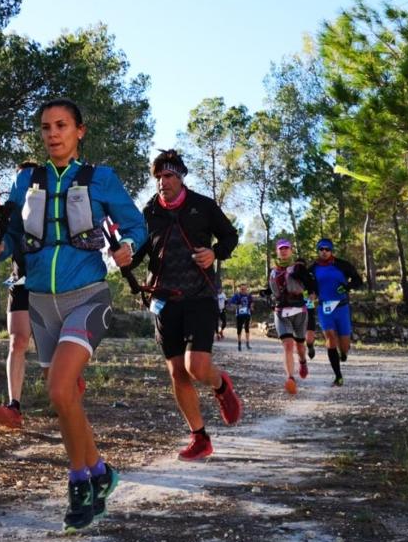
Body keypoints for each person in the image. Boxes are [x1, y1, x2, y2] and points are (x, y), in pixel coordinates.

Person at [0, 98, 146, 534]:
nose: (53, 133)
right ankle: (101, 472)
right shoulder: (24, 181)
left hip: (88, 297)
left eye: (62, 125)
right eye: (46, 127)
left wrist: (129, 245)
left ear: (79, 131)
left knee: (57, 390)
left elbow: (136, 225)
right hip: (39, 302)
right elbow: (14, 235)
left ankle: (79, 485)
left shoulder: (100, 179)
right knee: (67, 397)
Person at [128, 149, 243, 462]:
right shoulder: (149, 212)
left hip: (200, 296)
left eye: (168, 176)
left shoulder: (203, 206)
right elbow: (137, 252)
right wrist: (123, 255)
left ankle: (221, 386)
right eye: (158, 178)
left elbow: (231, 236)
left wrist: (215, 254)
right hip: (164, 301)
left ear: (180, 177)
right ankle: (200, 437)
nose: (162, 182)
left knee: (196, 367)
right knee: (178, 373)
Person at [0, 161, 40, 429]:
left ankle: (68, 385)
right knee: (17, 341)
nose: (20, 186)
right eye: (17, 180)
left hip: (51, 282)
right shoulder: (11, 214)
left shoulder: (48, 208)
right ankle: (14, 406)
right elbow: (4, 243)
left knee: (53, 346)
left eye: (26, 180)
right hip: (20, 279)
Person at [307, 238, 364, 387]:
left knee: (344, 345)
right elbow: (307, 284)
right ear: (318, 251)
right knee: (330, 338)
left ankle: (343, 353)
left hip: (342, 307)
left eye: (327, 249)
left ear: (331, 250)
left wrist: (347, 287)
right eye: (321, 249)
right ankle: (338, 376)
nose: (324, 252)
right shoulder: (313, 268)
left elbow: (358, 280)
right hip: (325, 308)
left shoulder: (342, 265)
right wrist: (311, 293)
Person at [268, 239, 317, 395]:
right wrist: (266, 294)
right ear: (277, 251)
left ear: (291, 250)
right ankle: (290, 378)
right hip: (281, 311)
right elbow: (270, 289)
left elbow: (310, 283)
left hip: (299, 310)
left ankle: (302, 362)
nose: (283, 251)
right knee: (288, 345)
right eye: (281, 249)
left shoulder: (298, 267)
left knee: (300, 346)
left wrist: (312, 294)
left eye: (286, 248)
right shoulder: (273, 271)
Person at [226, 282, 255, 352]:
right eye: (242, 289)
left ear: (246, 289)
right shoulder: (237, 296)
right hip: (239, 315)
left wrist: (251, 306)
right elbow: (230, 304)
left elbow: (252, 302)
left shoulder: (249, 296)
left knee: (247, 328)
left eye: (244, 289)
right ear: (239, 289)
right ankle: (239, 344)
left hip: (247, 314)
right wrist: (237, 306)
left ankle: (247, 343)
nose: (243, 290)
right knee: (239, 329)